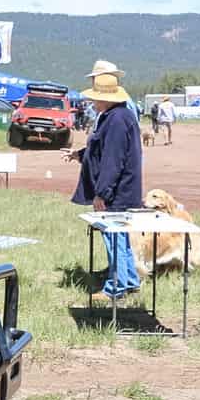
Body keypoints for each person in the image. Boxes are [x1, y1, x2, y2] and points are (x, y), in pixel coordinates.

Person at [62, 73, 143, 304]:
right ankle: (129, 280)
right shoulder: (117, 116)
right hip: (120, 191)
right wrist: (80, 155)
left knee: (114, 237)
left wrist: (102, 193)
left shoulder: (117, 120)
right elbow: (101, 151)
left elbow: (112, 160)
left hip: (116, 193)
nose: (92, 103)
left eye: (95, 98)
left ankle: (115, 287)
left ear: (106, 99)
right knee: (120, 237)